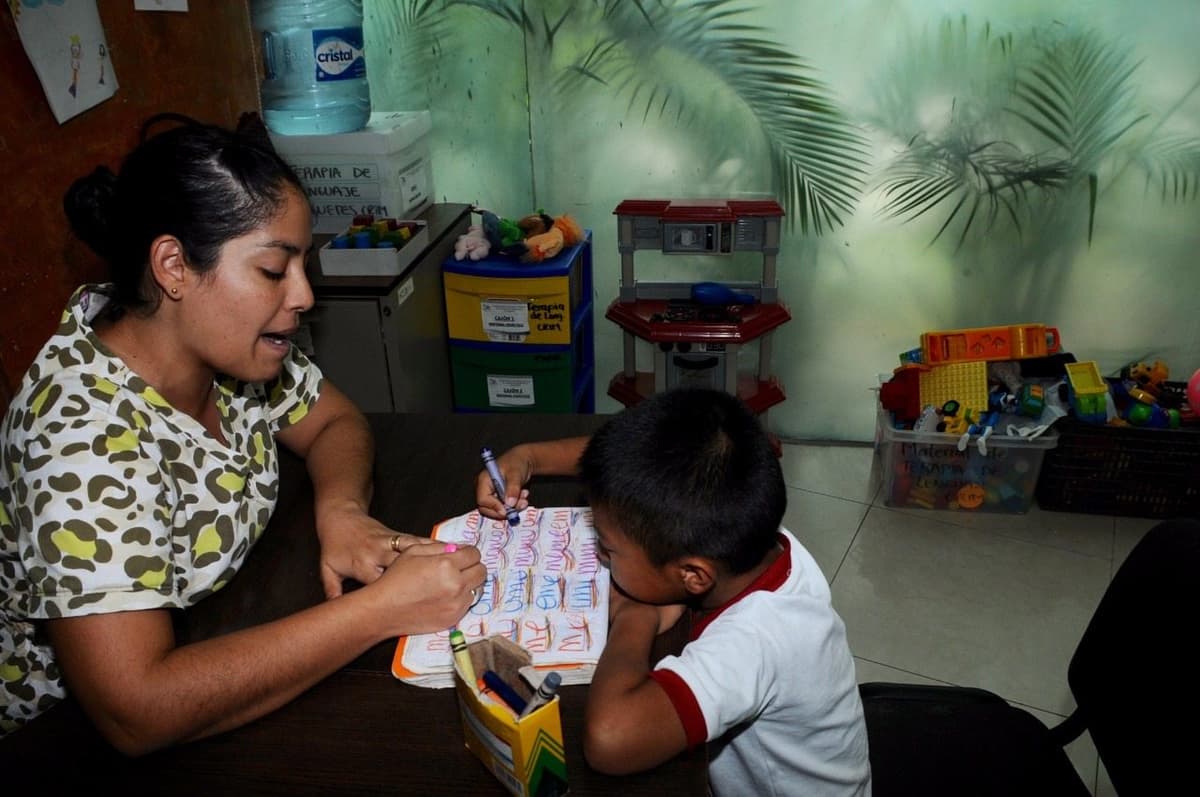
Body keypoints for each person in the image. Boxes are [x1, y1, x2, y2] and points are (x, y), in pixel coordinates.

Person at [0, 115, 486, 750]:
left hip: (219, 625)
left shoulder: (228, 352)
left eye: (302, 266)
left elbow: (335, 422)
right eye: (273, 271)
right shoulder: (78, 438)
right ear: (173, 266)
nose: (305, 295)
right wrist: (381, 611)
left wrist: (341, 512)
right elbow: (136, 709)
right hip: (57, 741)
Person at [477, 388, 871, 796]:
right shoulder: (745, 532)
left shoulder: (757, 640)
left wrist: (636, 616)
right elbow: (635, 469)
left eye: (608, 548)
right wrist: (529, 458)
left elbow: (610, 740)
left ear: (694, 575)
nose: (597, 554)